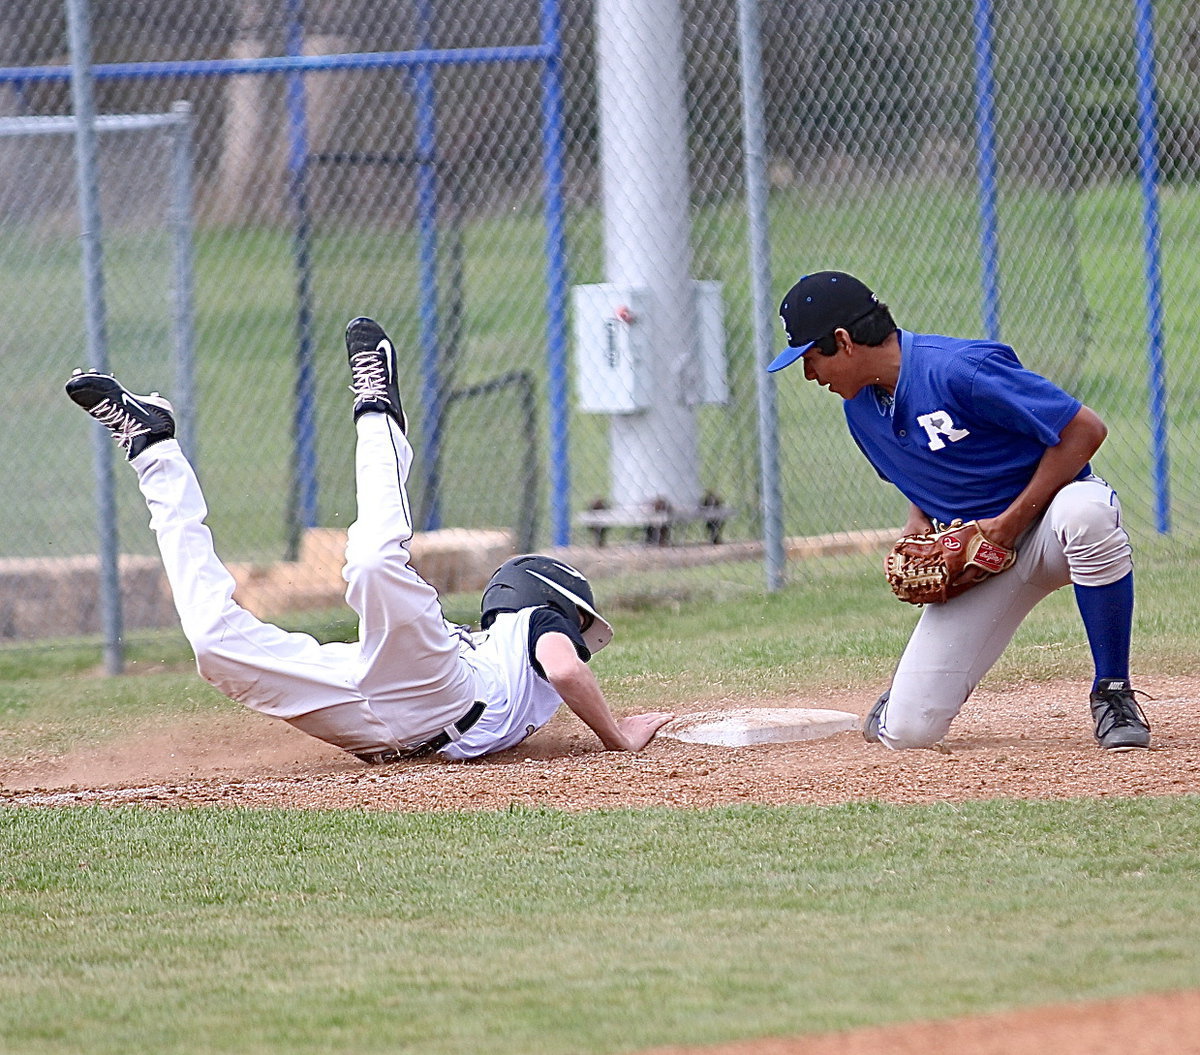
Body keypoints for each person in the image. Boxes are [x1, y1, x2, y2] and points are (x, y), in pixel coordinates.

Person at [65, 317, 674, 763]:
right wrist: (617, 737)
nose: (581, 638)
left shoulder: (505, 654)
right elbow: (565, 671)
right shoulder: (533, 623)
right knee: (375, 565)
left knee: (214, 646)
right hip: (439, 696)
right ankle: (378, 407)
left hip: (374, 714)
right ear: (549, 598)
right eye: (579, 620)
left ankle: (154, 449)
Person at [767, 270, 1150, 752]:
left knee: (1087, 514)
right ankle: (903, 698)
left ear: (843, 341)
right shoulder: (859, 410)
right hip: (984, 560)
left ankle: (1113, 691)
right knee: (908, 732)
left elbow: (1085, 430)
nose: (809, 375)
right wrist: (918, 519)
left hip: (1052, 525)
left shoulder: (959, 369)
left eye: (811, 357)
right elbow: (922, 464)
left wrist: (1009, 525)